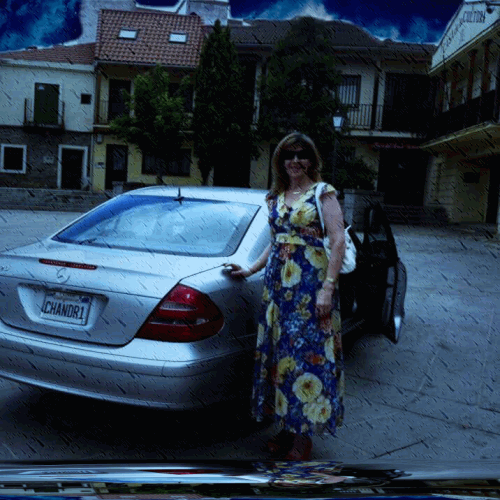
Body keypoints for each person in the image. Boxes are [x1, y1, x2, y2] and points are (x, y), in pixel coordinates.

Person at [224, 132, 346, 460]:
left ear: (311, 159)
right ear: (280, 160)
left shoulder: (323, 193)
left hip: (310, 290)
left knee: (308, 359)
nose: (295, 161)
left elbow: (337, 241)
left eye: (301, 154)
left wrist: (327, 288)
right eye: (288, 155)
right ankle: (286, 426)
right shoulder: (275, 196)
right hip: (278, 291)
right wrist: (251, 269)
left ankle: (304, 435)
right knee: (281, 359)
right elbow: (277, 239)